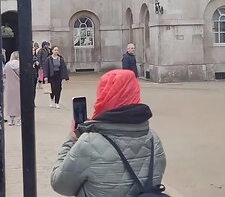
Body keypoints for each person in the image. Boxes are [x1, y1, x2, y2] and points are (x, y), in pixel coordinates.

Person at [51, 69, 166, 197]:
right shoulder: (154, 140)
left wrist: (71, 140)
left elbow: (60, 185)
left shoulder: (89, 143)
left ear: (104, 96)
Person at [3, 51, 21, 126]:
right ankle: (18, 119)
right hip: (18, 85)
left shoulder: (7, 65)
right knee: (18, 102)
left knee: (10, 102)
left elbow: (4, 74)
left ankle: (11, 119)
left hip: (9, 85)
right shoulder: (19, 64)